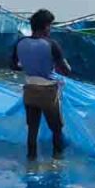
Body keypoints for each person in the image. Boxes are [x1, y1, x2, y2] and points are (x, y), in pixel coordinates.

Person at [11, 9, 71, 159]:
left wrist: (28, 65)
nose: (50, 29)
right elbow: (66, 71)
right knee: (56, 129)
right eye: (50, 25)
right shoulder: (52, 44)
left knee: (32, 129)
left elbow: (13, 66)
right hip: (48, 93)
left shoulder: (20, 43)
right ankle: (57, 161)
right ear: (45, 27)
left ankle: (31, 160)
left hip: (29, 90)